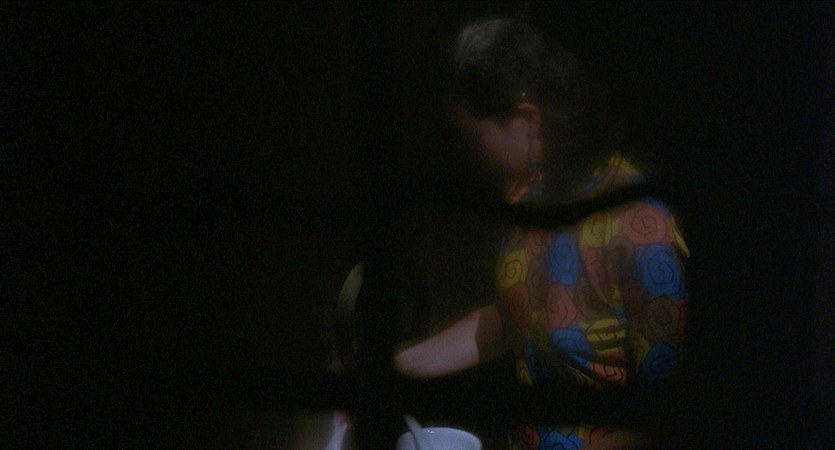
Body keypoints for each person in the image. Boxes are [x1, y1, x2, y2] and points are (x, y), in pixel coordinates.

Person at [393, 18, 689, 449]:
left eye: (476, 139)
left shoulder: (639, 228)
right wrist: (395, 367)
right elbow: (513, 317)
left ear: (528, 120)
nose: (472, 156)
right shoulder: (528, 195)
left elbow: (662, 412)